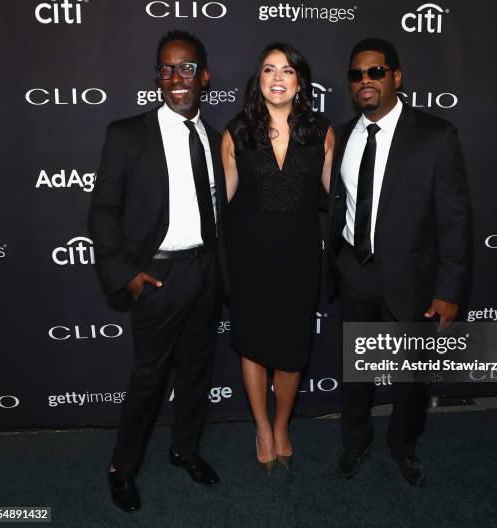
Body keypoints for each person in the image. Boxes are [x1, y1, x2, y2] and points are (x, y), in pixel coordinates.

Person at [88, 30, 227, 512]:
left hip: (205, 273)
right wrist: (126, 273)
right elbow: (103, 210)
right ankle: (121, 469)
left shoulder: (214, 138)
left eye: (186, 67)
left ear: (204, 75)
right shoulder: (127, 134)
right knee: (149, 380)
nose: (176, 77)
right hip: (157, 278)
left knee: (195, 373)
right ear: (157, 77)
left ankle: (184, 450)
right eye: (166, 68)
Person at [326, 38, 471, 486]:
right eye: (356, 75)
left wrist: (449, 290)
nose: (365, 81)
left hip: (411, 278)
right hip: (354, 271)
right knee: (356, 372)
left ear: (396, 77)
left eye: (375, 72)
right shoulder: (344, 134)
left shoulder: (434, 135)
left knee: (410, 378)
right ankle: (355, 443)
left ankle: (403, 446)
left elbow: (455, 219)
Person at [221, 43, 334, 474]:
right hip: (248, 258)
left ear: (300, 81)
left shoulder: (321, 132)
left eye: (287, 70)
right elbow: (219, 203)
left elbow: (341, 199)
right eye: (269, 69)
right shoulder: (237, 132)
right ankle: (262, 428)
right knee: (253, 346)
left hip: (301, 258)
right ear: (260, 80)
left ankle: (283, 425)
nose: (277, 77)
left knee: (290, 351)